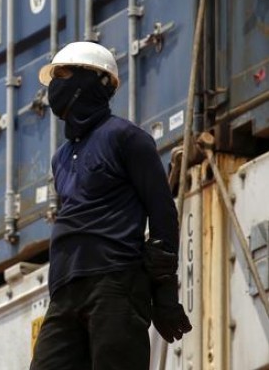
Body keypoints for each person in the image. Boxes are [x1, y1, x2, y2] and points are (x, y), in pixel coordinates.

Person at [29, 41, 192, 370]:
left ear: (93, 80)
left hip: (115, 284)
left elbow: (163, 215)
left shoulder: (127, 138)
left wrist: (164, 292)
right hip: (64, 290)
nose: (55, 88)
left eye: (63, 76)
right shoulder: (60, 159)